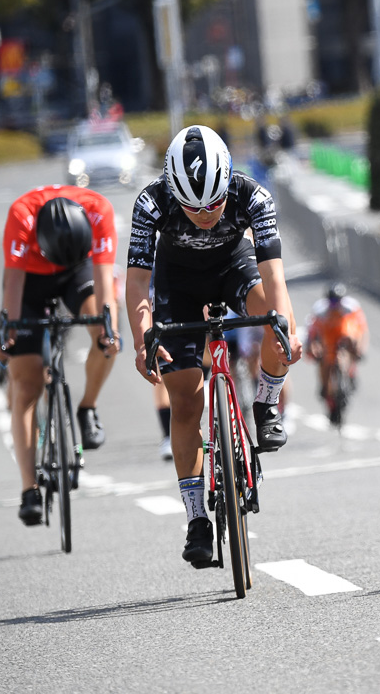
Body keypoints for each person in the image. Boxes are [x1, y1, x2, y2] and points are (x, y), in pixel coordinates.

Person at [125, 124, 303, 569]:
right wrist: (141, 338)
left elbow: (274, 274)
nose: (205, 214)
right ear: (173, 192)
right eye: (193, 207)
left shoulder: (252, 195)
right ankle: (197, 519)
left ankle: (265, 405)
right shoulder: (151, 203)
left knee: (278, 319)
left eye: (215, 204)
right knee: (186, 400)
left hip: (232, 268)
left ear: (228, 183)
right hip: (176, 284)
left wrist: (283, 330)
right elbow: (138, 283)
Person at [0, 188, 120, 525]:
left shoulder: (99, 211)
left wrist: (111, 329)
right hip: (30, 278)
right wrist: (8, 334)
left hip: (76, 270)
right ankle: (28, 488)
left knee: (104, 337)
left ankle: (87, 407)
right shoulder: (22, 216)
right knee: (26, 382)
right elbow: (14, 285)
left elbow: (105, 279)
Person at [305, 283, 368, 426]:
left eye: (338, 301)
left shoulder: (352, 307)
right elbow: (312, 335)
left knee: (351, 341)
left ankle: (351, 371)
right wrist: (312, 348)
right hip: (326, 335)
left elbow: (362, 331)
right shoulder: (319, 310)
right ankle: (325, 389)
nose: (335, 305)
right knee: (323, 359)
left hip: (344, 331)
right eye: (332, 302)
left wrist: (360, 350)